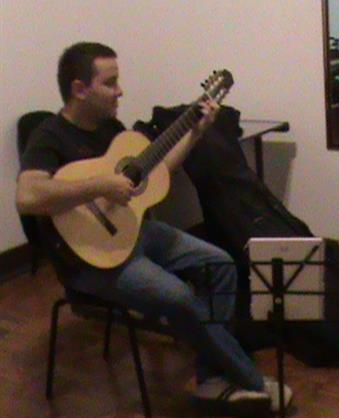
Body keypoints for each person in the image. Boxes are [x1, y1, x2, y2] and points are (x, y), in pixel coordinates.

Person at [15, 42, 291, 413]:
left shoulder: (112, 129)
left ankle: (211, 378)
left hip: (133, 231)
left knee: (221, 265)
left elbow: (156, 173)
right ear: (80, 89)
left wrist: (195, 132)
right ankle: (250, 379)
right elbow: (27, 196)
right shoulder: (49, 136)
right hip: (90, 258)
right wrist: (99, 186)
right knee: (179, 298)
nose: (120, 91)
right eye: (110, 83)